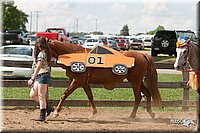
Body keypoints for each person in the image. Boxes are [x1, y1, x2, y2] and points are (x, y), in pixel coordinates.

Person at [28, 36, 54, 121]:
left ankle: (42, 115)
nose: (38, 46)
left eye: (39, 44)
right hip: (40, 76)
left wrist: (32, 78)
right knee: (32, 94)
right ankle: (48, 107)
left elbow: (39, 66)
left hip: (42, 76)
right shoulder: (44, 52)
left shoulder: (42, 53)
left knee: (41, 96)